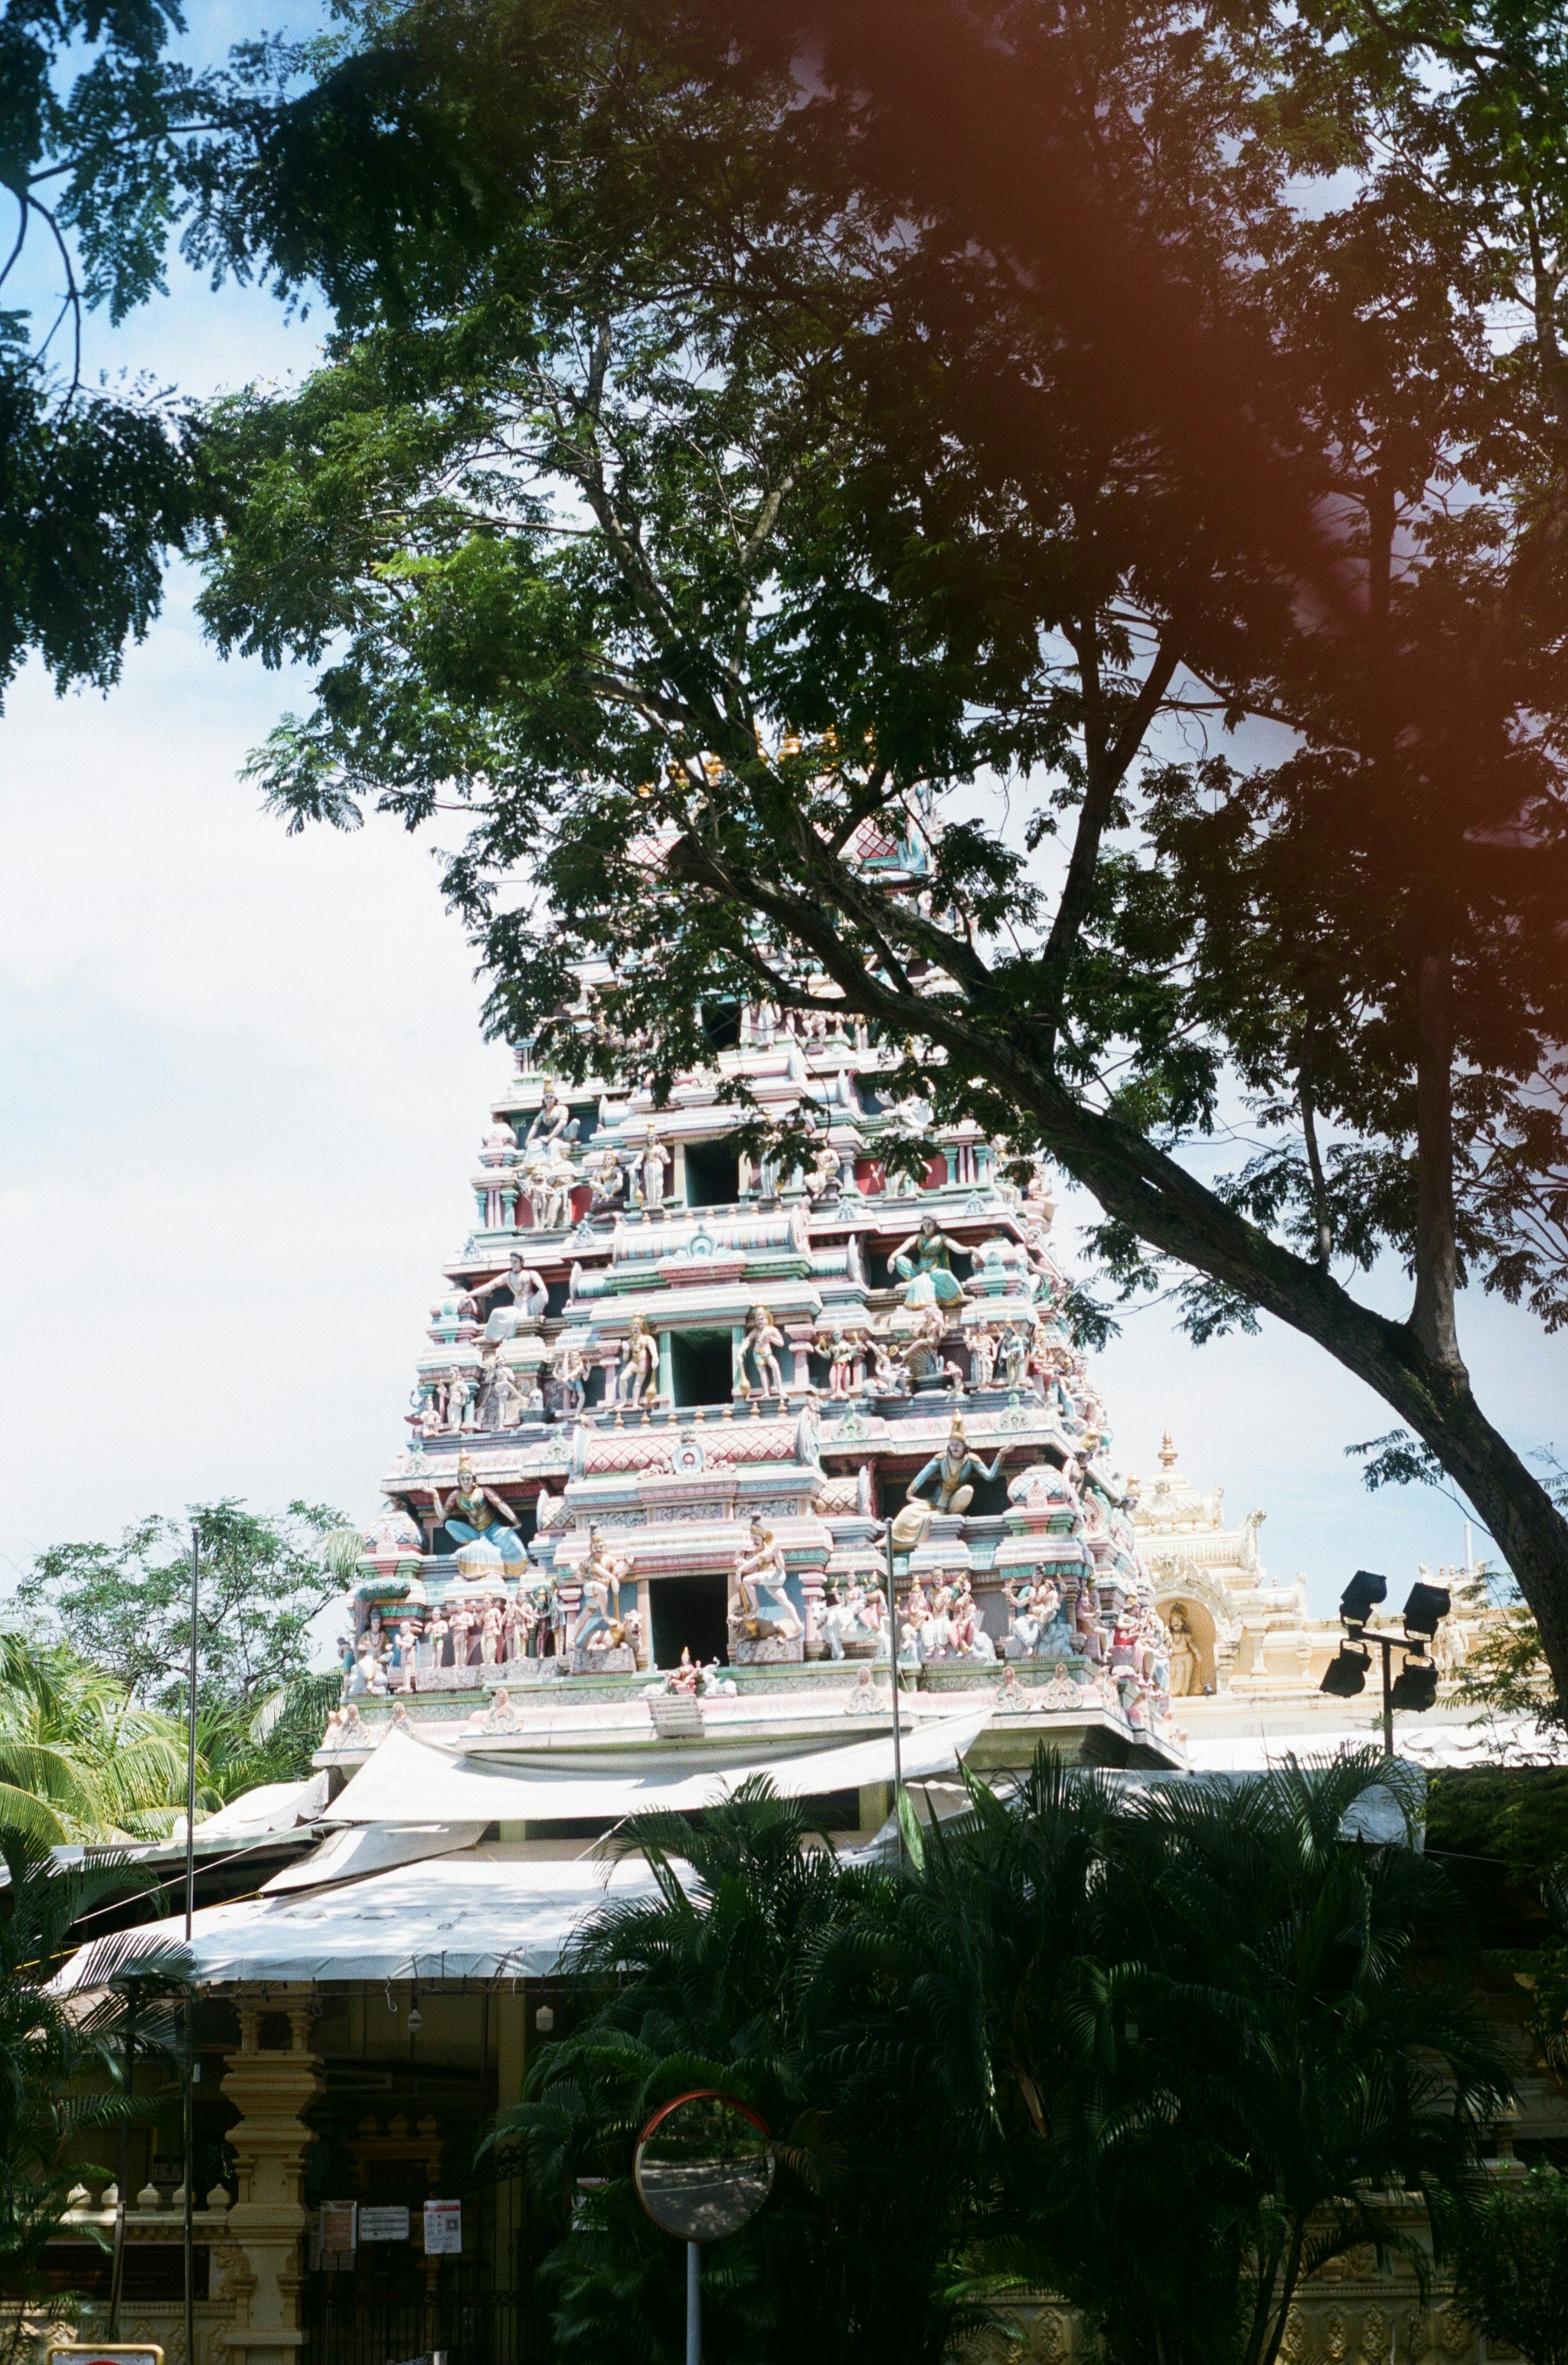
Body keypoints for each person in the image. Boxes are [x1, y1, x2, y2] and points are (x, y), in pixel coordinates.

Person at [906, 1416, 1011, 1517]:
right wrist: (910, 1493)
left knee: (967, 1490)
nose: (954, 1448)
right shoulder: (941, 1458)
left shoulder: (970, 1459)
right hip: (937, 1498)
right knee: (910, 1511)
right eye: (952, 1445)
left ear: (965, 1447)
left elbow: (990, 1476)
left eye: (958, 1445)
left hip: (957, 1497)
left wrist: (1001, 1454)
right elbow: (923, 1474)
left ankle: (950, 1516)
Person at [432, 1452, 527, 1563]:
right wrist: (435, 1495)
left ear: (473, 1479)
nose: (466, 1482)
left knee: (511, 1538)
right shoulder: (456, 1496)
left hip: (493, 1529)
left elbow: (501, 1506)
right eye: (462, 1479)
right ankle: (478, 1544)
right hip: (476, 1533)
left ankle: (524, 1564)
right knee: (449, 1524)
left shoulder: (483, 1491)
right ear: (459, 1481)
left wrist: (516, 1521)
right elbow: (442, 1516)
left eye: (468, 1478)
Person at [890, 1215, 969, 1308]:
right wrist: (892, 1257)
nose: (926, 1227)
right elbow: (906, 1245)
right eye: (924, 1224)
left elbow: (956, 1248)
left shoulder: (941, 1238)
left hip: (933, 1271)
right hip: (919, 1271)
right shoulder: (918, 1237)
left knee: (946, 1274)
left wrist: (971, 1249)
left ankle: (959, 1296)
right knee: (900, 1259)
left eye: (929, 1224)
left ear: (935, 1226)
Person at [615, 1311, 660, 1406]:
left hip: (643, 1360)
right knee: (622, 1378)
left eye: (638, 1327)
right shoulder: (630, 1341)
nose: (635, 1329)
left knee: (637, 1384)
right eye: (633, 1327)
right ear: (630, 1329)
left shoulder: (647, 1339)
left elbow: (653, 1351)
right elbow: (625, 1359)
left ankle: (635, 1403)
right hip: (633, 1361)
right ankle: (623, 1401)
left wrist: (655, 1358)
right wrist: (626, 1350)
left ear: (641, 1328)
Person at [743, 1303, 786, 1396]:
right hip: (757, 1353)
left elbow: (781, 1343)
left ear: (767, 1319)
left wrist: (771, 1338)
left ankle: (780, 1390)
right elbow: (748, 1341)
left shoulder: (771, 1329)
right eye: (758, 1320)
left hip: (767, 1352)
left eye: (762, 1319)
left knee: (775, 1366)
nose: (760, 1321)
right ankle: (766, 1392)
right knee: (762, 1372)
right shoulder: (756, 1331)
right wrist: (740, 1352)